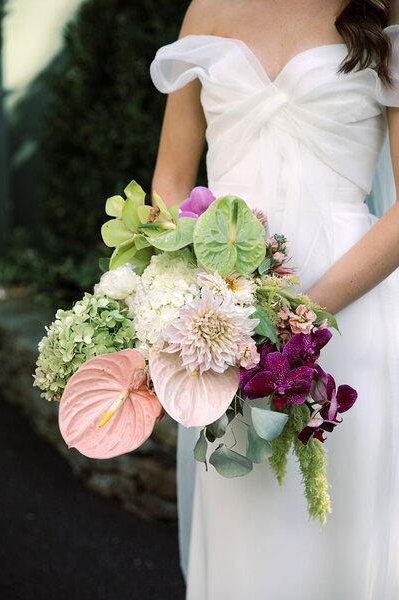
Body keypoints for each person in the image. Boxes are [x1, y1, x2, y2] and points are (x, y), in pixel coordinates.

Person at [149, 1, 399, 598]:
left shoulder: (382, 7)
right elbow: (170, 182)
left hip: (348, 314)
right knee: (246, 527)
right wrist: (182, 296)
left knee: (341, 522)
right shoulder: (207, 9)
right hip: (224, 318)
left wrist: (298, 320)